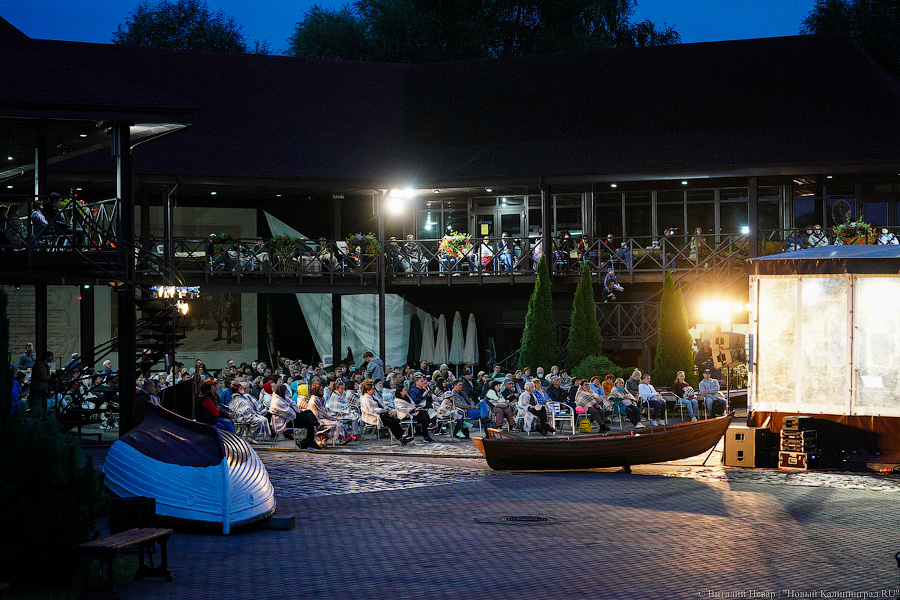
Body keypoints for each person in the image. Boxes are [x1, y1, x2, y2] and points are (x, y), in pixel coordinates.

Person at [361, 378, 413, 444]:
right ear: (367, 390)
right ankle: (400, 437)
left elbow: (381, 404)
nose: (374, 390)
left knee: (395, 420)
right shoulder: (366, 399)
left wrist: (386, 409)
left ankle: (403, 435)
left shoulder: (373, 396)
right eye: (372, 389)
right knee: (391, 422)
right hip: (372, 416)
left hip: (381, 414)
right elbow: (371, 410)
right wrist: (382, 410)